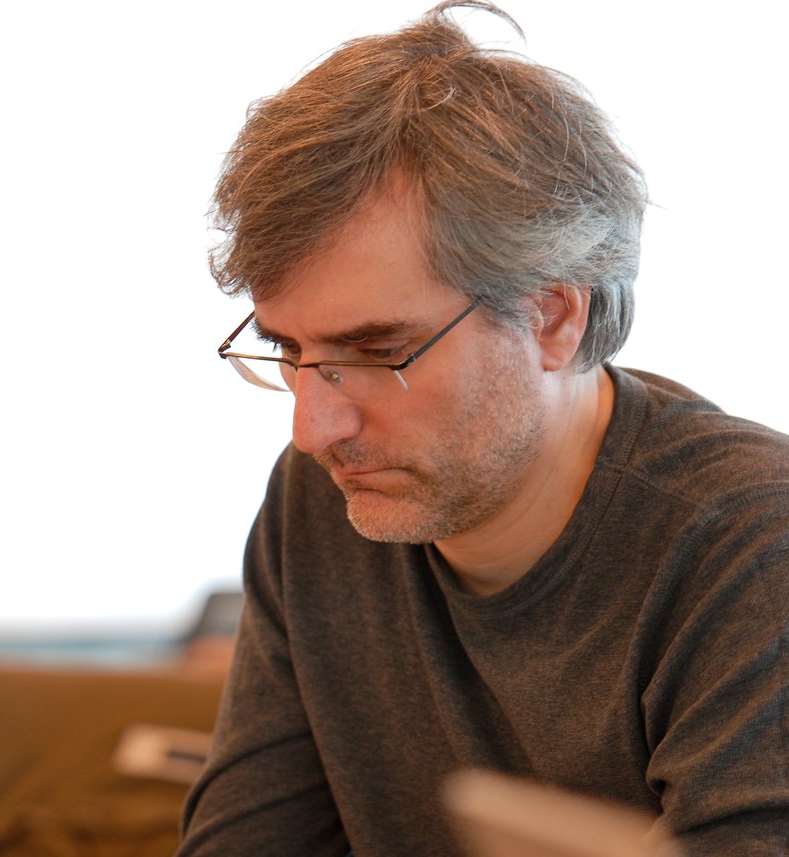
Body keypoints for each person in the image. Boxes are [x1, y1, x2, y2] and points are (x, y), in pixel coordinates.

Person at [176, 2, 789, 855]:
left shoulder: (752, 547)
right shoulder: (321, 500)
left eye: (377, 351)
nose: (314, 427)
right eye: (289, 351)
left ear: (552, 317)